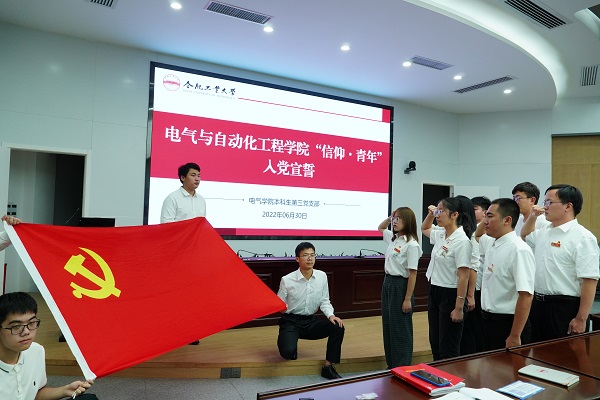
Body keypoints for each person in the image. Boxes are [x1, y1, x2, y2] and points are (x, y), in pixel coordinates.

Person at [521, 184, 599, 342]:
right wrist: (533, 216)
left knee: (562, 353)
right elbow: (525, 235)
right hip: (538, 304)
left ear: (568, 206)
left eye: (549, 202)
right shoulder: (545, 230)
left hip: (563, 307)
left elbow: (589, 280)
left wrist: (581, 318)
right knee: (537, 352)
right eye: (544, 202)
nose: (545, 207)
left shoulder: (583, 237)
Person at [0, 292, 97, 400]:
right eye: (16, 326)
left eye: (31, 323)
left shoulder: (36, 351)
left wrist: (64, 390)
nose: (26, 332)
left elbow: (35, 394)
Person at [276, 242, 345, 379]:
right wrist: (281, 307)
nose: (310, 258)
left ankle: (328, 367)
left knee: (338, 327)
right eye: (306, 255)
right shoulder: (287, 280)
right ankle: (288, 338)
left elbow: (324, 301)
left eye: (312, 255)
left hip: (310, 322)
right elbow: (279, 304)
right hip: (291, 321)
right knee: (288, 353)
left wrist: (331, 315)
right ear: (297, 259)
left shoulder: (322, 276)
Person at [421, 197, 476, 360]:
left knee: (448, 346)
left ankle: (450, 375)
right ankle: (436, 373)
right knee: (435, 342)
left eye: (441, 211)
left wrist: (459, 307)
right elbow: (425, 228)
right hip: (435, 290)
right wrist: (430, 214)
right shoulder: (440, 234)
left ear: (454, 215)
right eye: (437, 211)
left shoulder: (462, 241)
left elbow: (464, 276)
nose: (437, 215)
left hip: (451, 294)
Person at [478, 198, 535, 350]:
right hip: (486, 321)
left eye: (490, 216)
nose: (485, 221)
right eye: (485, 216)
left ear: (507, 220)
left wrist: (515, 335)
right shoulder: (492, 244)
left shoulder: (518, 249)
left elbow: (526, 295)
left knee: (507, 366)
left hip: (507, 323)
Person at [160, 162, 206, 345]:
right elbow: (166, 226)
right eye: (193, 175)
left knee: (192, 294)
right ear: (182, 177)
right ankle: (173, 331)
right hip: (177, 255)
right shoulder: (173, 198)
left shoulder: (201, 200)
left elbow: (202, 226)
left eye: (199, 176)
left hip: (195, 254)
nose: (197, 179)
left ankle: (190, 331)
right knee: (177, 294)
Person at [377, 206, 422, 368]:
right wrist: (390, 217)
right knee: (388, 325)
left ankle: (402, 366)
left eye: (399, 218)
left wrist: (407, 298)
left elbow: (413, 274)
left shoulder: (412, 245)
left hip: (401, 286)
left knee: (400, 329)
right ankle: (391, 365)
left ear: (408, 221)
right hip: (388, 283)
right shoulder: (394, 238)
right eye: (394, 218)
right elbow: (380, 228)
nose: (395, 222)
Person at [460, 196, 490, 355]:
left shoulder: (483, 232)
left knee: (474, 328)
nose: (471, 211)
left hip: (478, 286)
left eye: (475, 208)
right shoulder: (469, 229)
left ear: (485, 212)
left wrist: (471, 294)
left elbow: (474, 264)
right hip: (468, 284)